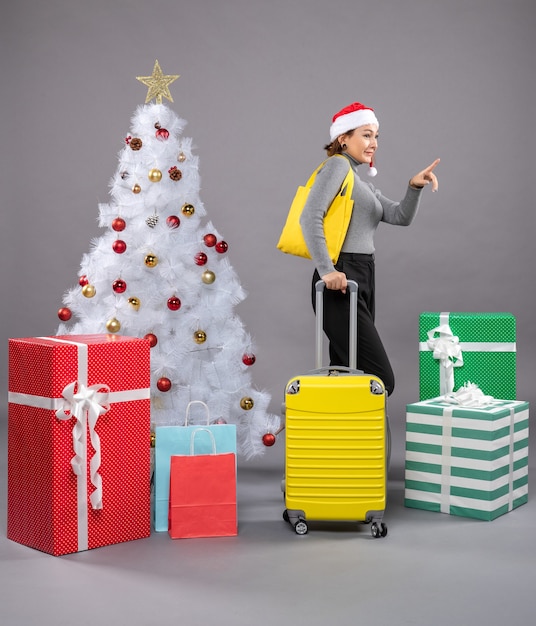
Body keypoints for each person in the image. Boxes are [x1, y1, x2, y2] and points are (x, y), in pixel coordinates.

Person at [299, 102, 439, 396]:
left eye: (376, 136)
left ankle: (340, 439)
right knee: (380, 378)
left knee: (344, 371)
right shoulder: (337, 166)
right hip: (341, 279)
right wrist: (327, 270)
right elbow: (310, 216)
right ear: (343, 138)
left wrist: (414, 187)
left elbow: (400, 216)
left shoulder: (359, 183)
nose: (373, 143)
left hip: (363, 277)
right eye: (366, 135)